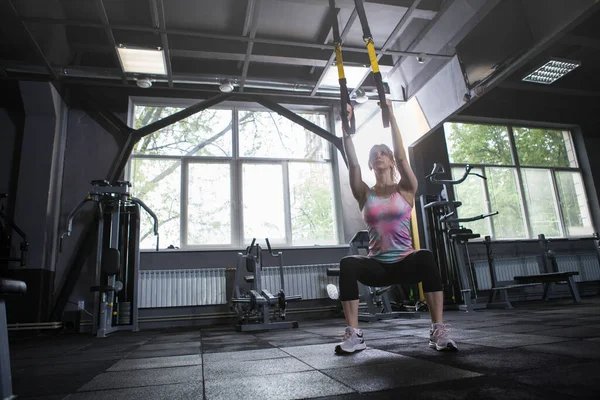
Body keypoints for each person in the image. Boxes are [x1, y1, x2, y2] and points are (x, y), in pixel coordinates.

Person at [334, 100, 457, 354]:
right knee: (348, 264)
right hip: (377, 266)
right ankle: (354, 335)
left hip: (405, 263)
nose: (378, 156)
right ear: (371, 164)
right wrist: (345, 126)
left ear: (390, 162)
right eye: (373, 155)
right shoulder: (364, 194)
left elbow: (403, 156)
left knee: (425, 256)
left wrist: (390, 114)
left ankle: (438, 329)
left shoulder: (406, 190)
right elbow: (353, 164)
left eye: (383, 153)